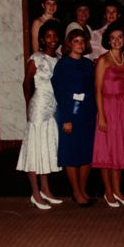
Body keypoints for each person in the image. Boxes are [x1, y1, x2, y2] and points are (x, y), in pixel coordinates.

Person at [17, 20, 62, 209]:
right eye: (48, 36)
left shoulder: (59, 58)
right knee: (35, 148)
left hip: (52, 107)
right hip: (38, 107)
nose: (52, 39)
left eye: (54, 35)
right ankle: (35, 193)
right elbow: (26, 84)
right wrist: (29, 107)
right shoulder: (36, 58)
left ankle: (45, 189)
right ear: (42, 39)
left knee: (46, 147)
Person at [51, 29, 96, 206]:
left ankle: (83, 190)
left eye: (82, 41)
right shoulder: (62, 64)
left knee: (86, 153)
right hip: (70, 113)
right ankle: (76, 192)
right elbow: (60, 92)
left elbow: (92, 88)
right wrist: (67, 118)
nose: (79, 44)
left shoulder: (87, 64)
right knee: (71, 153)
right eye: (76, 40)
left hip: (87, 113)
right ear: (69, 44)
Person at [91, 22, 124, 208]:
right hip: (107, 106)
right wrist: (101, 115)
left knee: (119, 149)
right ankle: (108, 191)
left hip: (123, 107)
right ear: (108, 40)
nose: (117, 40)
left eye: (120, 37)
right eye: (113, 37)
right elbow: (97, 90)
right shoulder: (102, 60)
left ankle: (117, 190)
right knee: (106, 150)